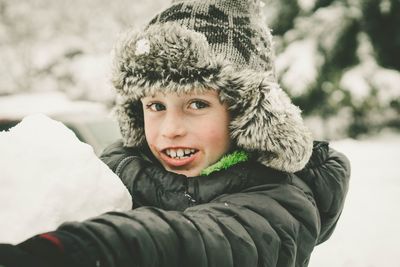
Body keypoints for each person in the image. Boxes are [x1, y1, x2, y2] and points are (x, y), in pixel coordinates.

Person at [0, 0, 350, 266]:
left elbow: (209, 240)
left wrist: (77, 249)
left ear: (247, 112)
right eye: (155, 106)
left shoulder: (281, 200)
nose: (170, 130)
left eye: (197, 104)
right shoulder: (117, 170)